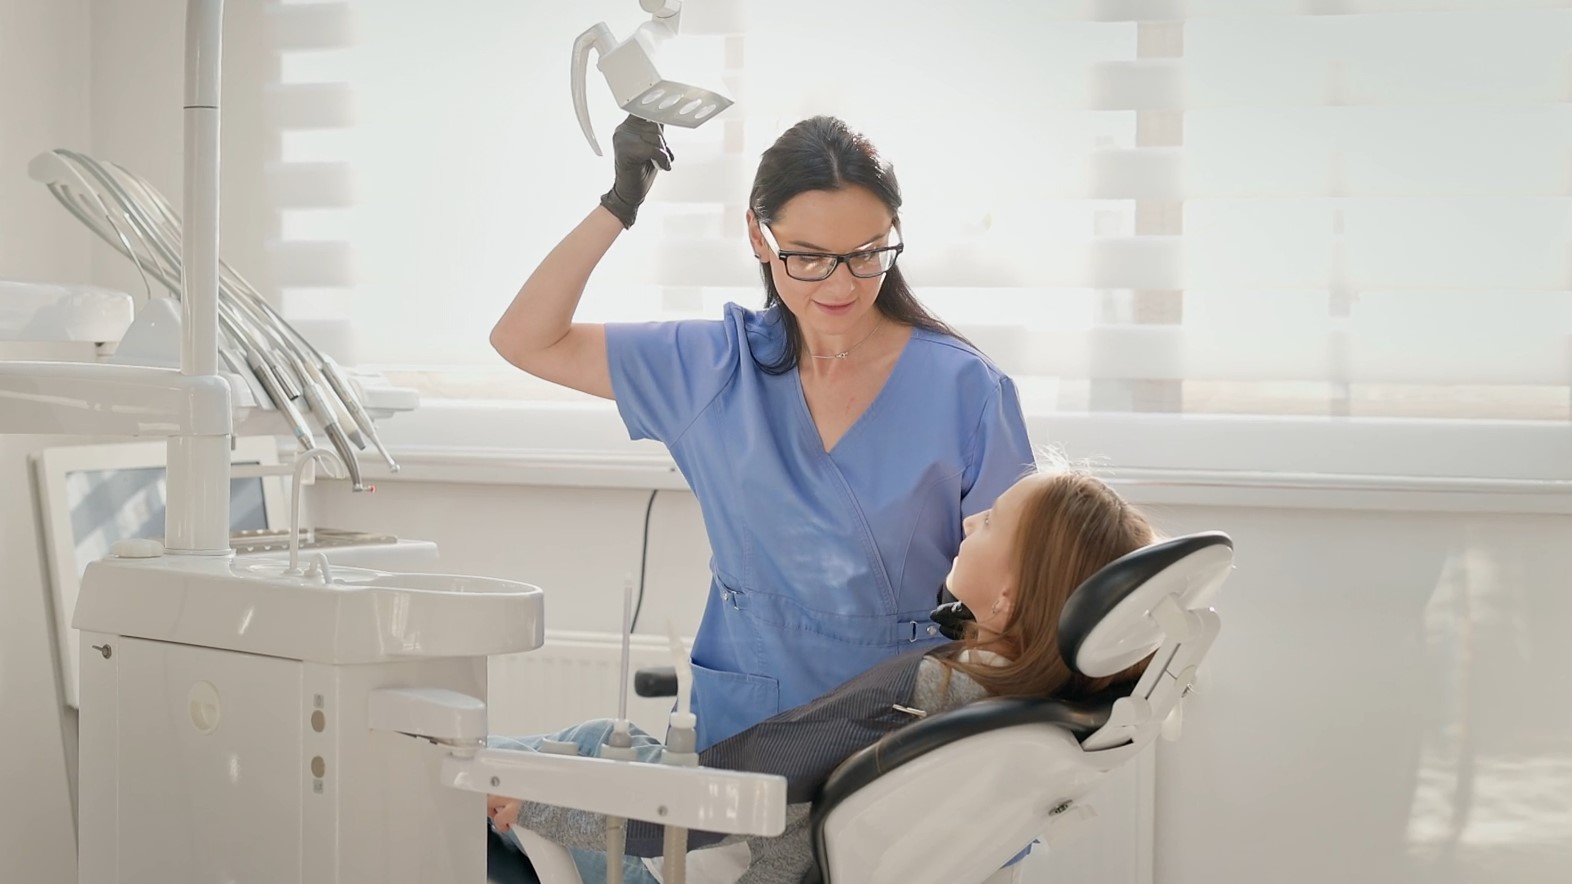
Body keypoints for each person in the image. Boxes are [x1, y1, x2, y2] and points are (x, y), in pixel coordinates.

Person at [490, 114, 1036, 752]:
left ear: (895, 233)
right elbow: (525, 338)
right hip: (747, 729)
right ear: (757, 235)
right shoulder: (715, 367)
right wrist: (618, 206)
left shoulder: (967, 391)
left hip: (899, 734)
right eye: (807, 258)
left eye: (866, 254)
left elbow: (1012, 609)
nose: (841, 284)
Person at [486, 466, 1158, 884]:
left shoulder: (923, 696)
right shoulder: (1027, 705)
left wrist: (553, 811)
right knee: (598, 736)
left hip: (686, 863)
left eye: (994, 523)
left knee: (460, 779)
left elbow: (742, 790)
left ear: (1009, 599)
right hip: (718, 835)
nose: (971, 517)